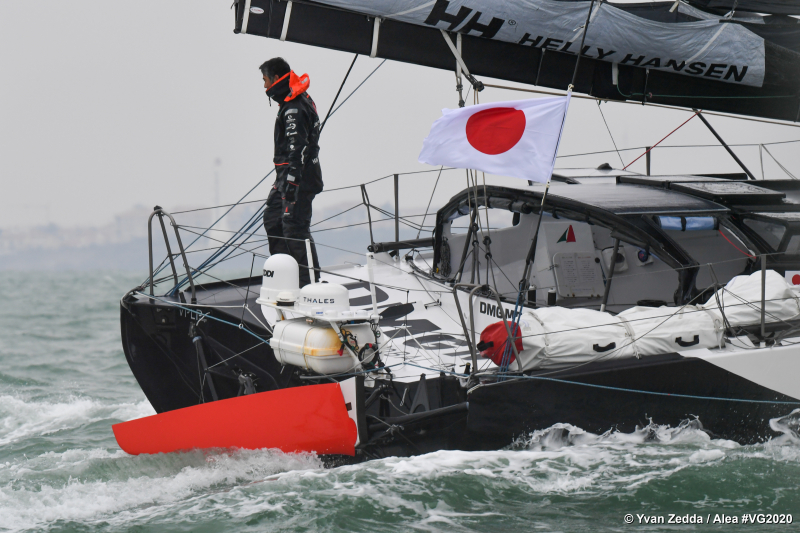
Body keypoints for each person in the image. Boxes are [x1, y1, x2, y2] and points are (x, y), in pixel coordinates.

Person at [260, 57, 322, 287]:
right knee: (273, 220)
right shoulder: (292, 101)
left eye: (265, 80)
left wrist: (292, 185)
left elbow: (298, 150)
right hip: (285, 178)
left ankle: (308, 285)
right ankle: (286, 279)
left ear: (276, 78)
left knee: (294, 228)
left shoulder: (294, 107)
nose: (264, 87)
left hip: (298, 179)